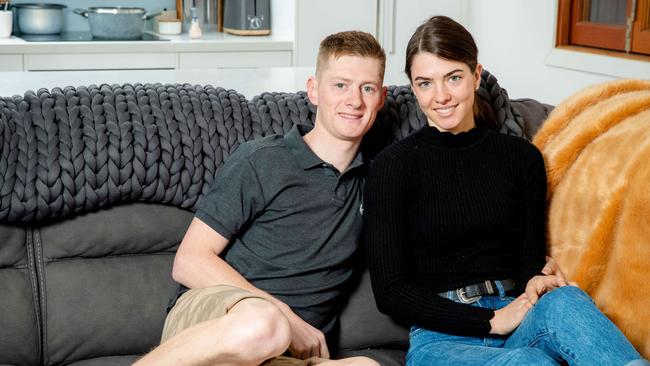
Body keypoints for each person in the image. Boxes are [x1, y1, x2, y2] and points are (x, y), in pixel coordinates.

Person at [362, 15, 646, 366]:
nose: (441, 97)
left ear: (476, 75)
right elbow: (391, 292)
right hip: (441, 339)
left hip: (518, 314)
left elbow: (527, 261)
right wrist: (490, 321)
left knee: (566, 299)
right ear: (413, 87)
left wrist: (537, 283)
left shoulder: (521, 158)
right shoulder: (393, 166)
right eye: (425, 83)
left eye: (453, 78)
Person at [135, 30, 387, 366]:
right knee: (264, 326)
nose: (354, 100)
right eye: (340, 85)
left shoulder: (376, 183)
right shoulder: (263, 159)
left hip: (285, 355)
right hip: (220, 323)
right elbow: (189, 261)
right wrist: (285, 316)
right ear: (314, 90)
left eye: (367, 88)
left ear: (381, 98)